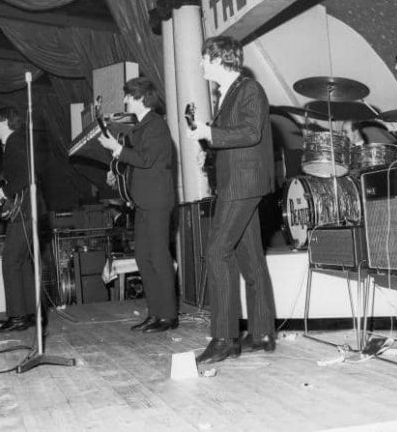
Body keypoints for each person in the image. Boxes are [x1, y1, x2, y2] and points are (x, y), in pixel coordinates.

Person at [188, 36, 276, 364]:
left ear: (221, 59)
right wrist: (208, 153)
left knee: (216, 251)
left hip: (243, 183)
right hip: (239, 181)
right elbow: (236, 139)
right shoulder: (228, 93)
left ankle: (224, 338)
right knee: (249, 257)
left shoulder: (249, 89)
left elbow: (251, 133)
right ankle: (262, 332)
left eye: (204, 58)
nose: (200, 64)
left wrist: (209, 134)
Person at [98, 77, 177, 333]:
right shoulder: (141, 127)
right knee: (144, 258)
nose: (124, 101)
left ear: (141, 98)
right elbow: (137, 162)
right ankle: (155, 314)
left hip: (156, 202)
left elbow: (146, 159)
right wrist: (118, 169)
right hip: (143, 202)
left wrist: (117, 149)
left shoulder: (156, 125)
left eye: (128, 97)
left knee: (159, 258)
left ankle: (168, 316)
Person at [0, 107, 37, 331]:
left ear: (4, 121)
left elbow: (27, 176)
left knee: (9, 262)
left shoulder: (15, 143)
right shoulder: (16, 143)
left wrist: (2, 193)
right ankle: (28, 314)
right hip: (28, 212)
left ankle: (16, 317)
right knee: (21, 262)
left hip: (23, 213)